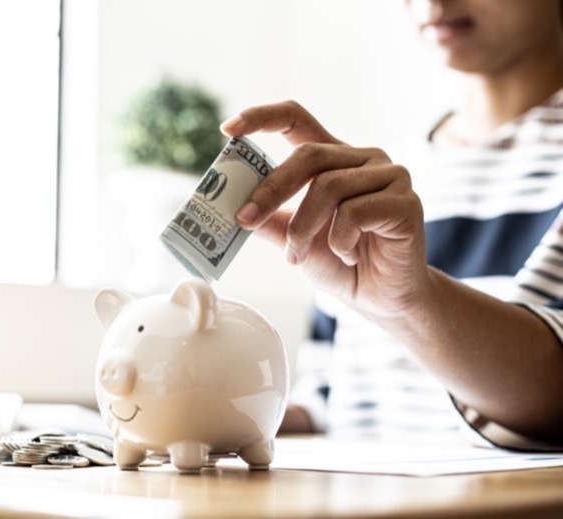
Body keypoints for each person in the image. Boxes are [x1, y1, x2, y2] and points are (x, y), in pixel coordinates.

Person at [220, 0, 563, 450]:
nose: (431, 4)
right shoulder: (379, 183)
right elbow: (329, 395)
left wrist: (411, 303)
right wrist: (217, 412)